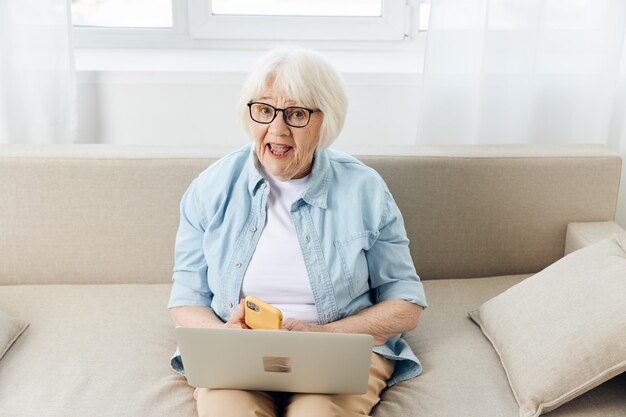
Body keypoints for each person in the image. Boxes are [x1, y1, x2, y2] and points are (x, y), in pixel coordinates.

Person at [168, 47, 428, 417]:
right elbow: (186, 297)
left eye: (296, 114)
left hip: (335, 347)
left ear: (326, 120)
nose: (277, 129)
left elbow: (405, 304)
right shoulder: (210, 188)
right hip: (238, 351)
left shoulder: (365, 190)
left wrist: (325, 337)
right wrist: (225, 337)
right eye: (264, 110)